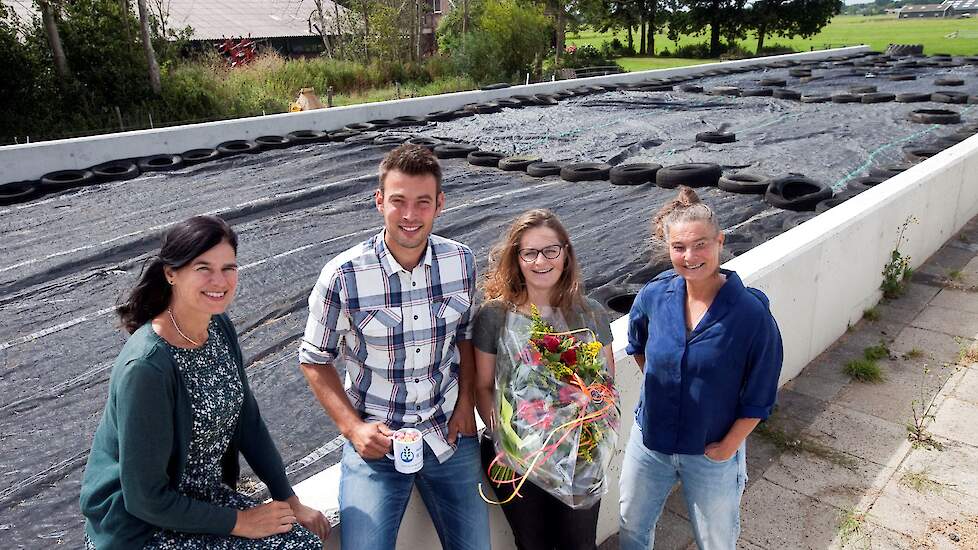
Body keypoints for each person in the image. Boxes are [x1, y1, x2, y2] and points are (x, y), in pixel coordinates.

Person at [80, 215, 330, 550]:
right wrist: (241, 522)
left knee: (300, 541)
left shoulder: (218, 328)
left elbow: (247, 420)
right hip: (142, 528)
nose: (220, 280)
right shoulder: (148, 367)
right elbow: (144, 499)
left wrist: (289, 499)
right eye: (203, 268)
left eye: (229, 268)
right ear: (171, 273)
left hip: (203, 501)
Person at [298, 144, 488, 550]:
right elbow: (314, 359)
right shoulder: (344, 276)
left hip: (448, 435)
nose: (409, 215)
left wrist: (465, 403)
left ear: (440, 204)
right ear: (379, 201)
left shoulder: (462, 262)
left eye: (423, 203)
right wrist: (353, 429)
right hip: (377, 441)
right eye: (398, 201)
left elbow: (465, 336)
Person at [618, 187, 783, 550]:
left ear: (720, 241)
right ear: (668, 248)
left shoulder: (750, 314)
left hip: (711, 452)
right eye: (679, 247)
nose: (690, 256)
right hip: (650, 444)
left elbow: (761, 393)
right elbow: (638, 347)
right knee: (632, 529)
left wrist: (727, 447)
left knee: (716, 541)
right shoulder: (654, 296)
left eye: (701, 244)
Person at [472, 209, 616, 550]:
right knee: (532, 543)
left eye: (551, 250)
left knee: (580, 544)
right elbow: (482, 386)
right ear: (517, 259)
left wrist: (588, 426)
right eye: (530, 253)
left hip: (579, 455)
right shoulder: (494, 317)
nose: (541, 261)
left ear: (566, 253)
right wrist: (507, 440)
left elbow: (606, 387)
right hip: (516, 458)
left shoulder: (591, 313)